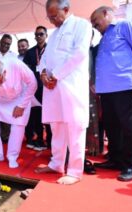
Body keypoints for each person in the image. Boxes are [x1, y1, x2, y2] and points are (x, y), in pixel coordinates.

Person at [91, 7, 132, 181]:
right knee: (112, 126)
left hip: (126, 85)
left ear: (105, 14)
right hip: (107, 90)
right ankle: (115, 159)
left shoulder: (125, 25)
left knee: (129, 127)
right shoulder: (103, 38)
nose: (96, 27)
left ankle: (130, 165)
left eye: (96, 22)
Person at [35, 0, 92, 185]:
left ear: (66, 10)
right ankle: (56, 164)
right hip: (53, 88)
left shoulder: (82, 25)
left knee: (75, 127)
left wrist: (56, 76)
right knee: (56, 127)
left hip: (71, 87)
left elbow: (80, 53)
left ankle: (75, 171)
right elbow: (44, 57)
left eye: (53, 16)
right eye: (49, 17)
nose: (51, 21)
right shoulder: (54, 33)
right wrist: (43, 74)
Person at [23, 25, 51, 151]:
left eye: (41, 34)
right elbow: (24, 69)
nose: (38, 36)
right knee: (36, 114)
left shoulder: (52, 49)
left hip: (49, 87)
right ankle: (39, 138)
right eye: (37, 35)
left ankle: (50, 141)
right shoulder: (30, 52)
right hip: (35, 88)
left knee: (50, 114)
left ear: (46, 35)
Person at [0, 34, 17, 143]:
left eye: (8, 44)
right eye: (4, 43)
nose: (6, 45)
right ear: (0, 42)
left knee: (6, 112)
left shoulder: (13, 56)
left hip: (7, 88)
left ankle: (6, 136)